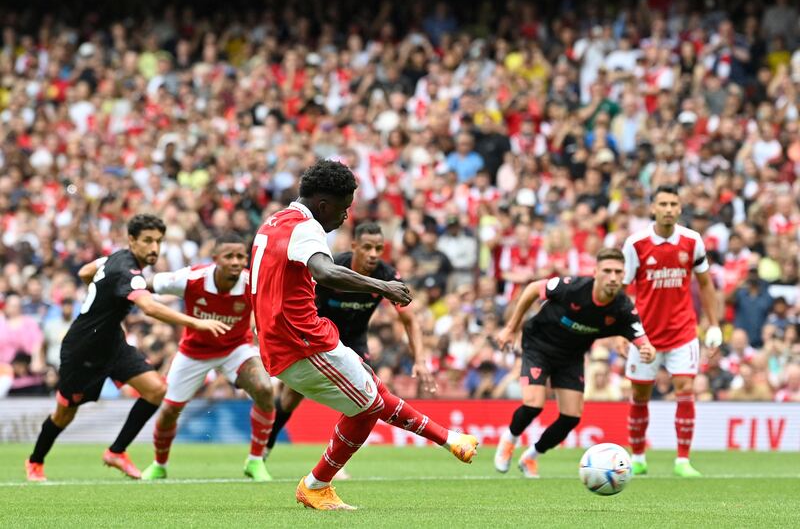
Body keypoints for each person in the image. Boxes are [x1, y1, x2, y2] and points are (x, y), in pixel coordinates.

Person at [249, 160, 477, 510]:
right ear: (324, 205)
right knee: (369, 405)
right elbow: (324, 271)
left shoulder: (274, 221)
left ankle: (450, 440)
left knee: (372, 394)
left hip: (294, 338)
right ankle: (316, 484)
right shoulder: (305, 228)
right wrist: (381, 286)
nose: (345, 216)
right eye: (344, 208)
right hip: (302, 341)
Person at [25, 214, 230, 482]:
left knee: (156, 389)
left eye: (158, 241)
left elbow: (85, 271)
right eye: (147, 241)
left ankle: (116, 451)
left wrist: (104, 304)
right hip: (82, 350)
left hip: (112, 343)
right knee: (64, 414)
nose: (154, 248)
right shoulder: (127, 270)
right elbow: (149, 307)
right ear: (132, 240)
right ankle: (35, 461)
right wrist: (197, 323)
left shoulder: (115, 259)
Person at [266, 222, 469, 473]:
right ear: (354, 247)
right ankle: (265, 448)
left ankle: (331, 464)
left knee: (366, 400)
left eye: (378, 249)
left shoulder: (386, 275)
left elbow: (409, 318)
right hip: (319, 340)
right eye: (367, 248)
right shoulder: (332, 266)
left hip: (354, 342)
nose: (373, 254)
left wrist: (420, 359)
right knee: (289, 399)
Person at [493, 248, 655, 478]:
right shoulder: (572, 287)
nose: (612, 277)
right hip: (539, 344)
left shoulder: (623, 308)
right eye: (607, 271)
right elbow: (531, 289)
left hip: (571, 356)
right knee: (533, 404)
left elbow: (643, 341)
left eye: (618, 272)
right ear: (595, 272)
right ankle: (509, 441)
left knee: (571, 416)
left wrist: (648, 350)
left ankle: (531, 456)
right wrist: (511, 328)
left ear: (624, 275)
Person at [140, 233, 275, 482]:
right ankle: (159, 464)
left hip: (236, 349)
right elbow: (146, 284)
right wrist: (129, 286)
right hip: (194, 352)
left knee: (265, 389)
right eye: (229, 256)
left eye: (240, 256)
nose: (236, 261)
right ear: (215, 259)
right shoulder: (191, 279)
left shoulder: (252, 283)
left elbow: (272, 304)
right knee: (169, 411)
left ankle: (255, 461)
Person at [622, 185, 722, 478]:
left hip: (682, 332)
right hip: (644, 335)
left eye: (673, 204)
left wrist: (713, 322)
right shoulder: (635, 244)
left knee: (686, 389)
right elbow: (626, 292)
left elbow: (705, 284)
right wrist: (622, 332)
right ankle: (638, 456)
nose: (668, 208)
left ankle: (682, 460)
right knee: (640, 395)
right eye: (662, 203)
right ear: (653, 208)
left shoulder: (692, 241)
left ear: (680, 209)